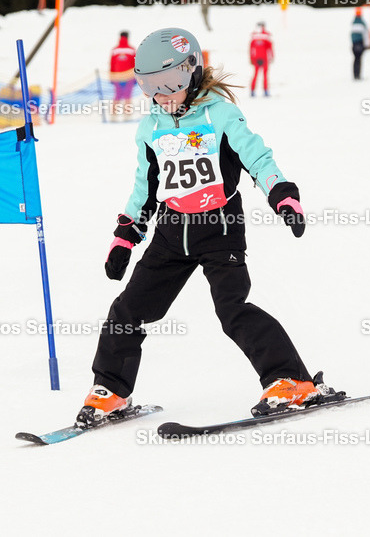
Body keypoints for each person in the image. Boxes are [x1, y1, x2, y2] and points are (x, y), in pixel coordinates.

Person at [77, 27, 335, 427]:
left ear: (191, 72)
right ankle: (110, 391)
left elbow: (258, 159)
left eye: (169, 84)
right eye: (150, 87)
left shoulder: (220, 115)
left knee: (232, 309)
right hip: (171, 230)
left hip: (220, 228)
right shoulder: (151, 127)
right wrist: (125, 237)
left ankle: (292, 380)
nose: (160, 96)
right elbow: (144, 189)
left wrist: (282, 194)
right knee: (127, 310)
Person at [108, 31, 137, 121]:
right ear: (128, 37)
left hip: (117, 76)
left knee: (117, 96)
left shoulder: (114, 50)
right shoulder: (132, 50)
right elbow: (135, 63)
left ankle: (113, 116)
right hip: (129, 76)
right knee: (128, 96)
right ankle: (127, 116)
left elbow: (112, 64)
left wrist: (111, 76)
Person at [248, 22, 273, 96]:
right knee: (265, 75)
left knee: (255, 74)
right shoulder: (266, 37)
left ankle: (252, 91)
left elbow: (251, 49)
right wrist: (272, 56)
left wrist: (251, 58)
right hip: (264, 58)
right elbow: (270, 48)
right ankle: (265, 91)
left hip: (256, 58)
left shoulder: (254, 37)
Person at [350, 7, 370, 80]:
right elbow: (365, 34)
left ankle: (355, 75)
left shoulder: (353, 23)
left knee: (355, 59)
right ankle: (358, 76)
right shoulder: (362, 23)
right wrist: (367, 44)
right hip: (360, 44)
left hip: (354, 44)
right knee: (359, 59)